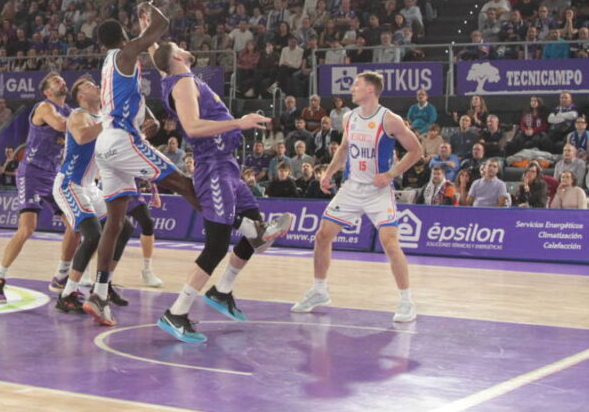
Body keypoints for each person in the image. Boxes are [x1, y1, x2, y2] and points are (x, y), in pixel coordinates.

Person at [152, 41, 293, 342]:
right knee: (216, 246)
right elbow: (191, 127)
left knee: (257, 235)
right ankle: (176, 313)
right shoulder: (183, 83)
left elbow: (159, 55)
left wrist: (147, 32)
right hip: (212, 166)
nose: (185, 47)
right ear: (176, 57)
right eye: (179, 47)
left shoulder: (175, 75)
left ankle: (222, 289)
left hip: (227, 165)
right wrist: (239, 122)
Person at [85, 3, 200, 326]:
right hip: (122, 138)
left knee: (115, 223)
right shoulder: (124, 54)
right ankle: (237, 228)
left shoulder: (111, 62)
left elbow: (147, 46)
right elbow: (161, 25)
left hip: (106, 145)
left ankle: (99, 293)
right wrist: (148, 10)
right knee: (183, 183)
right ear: (124, 36)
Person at [291, 71, 423, 323]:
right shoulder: (349, 117)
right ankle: (319, 291)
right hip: (351, 188)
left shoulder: (389, 119)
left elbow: (416, 150)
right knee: (322, 236)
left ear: (370, 89)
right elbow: (343, 149)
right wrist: (328, 173)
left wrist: (391, 174)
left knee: (390, 243)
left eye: (356, 85)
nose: (352, 89)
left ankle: (407, 301)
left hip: (378, 191)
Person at [0, 73, 78, 304]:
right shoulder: (44, 107)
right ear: (47, 91)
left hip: (54, 175)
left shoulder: (69, 111)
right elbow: (61, 125)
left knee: (75, 224)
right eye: (56, 81)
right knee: (27, 229)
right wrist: (92, 121)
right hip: (32, 172)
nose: (62, 81)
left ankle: (61, 275)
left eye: (62, 79)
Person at [50, 77, 133, 313]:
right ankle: (67, 294)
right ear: (81, 96)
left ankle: (103, 285)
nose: (95, 85)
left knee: (123, 227)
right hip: (70, 184)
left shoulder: (104, 116)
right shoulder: (78, 115)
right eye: (88, 85)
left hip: (91, 186)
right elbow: (82, 137)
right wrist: (109, 122)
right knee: (93, 234)